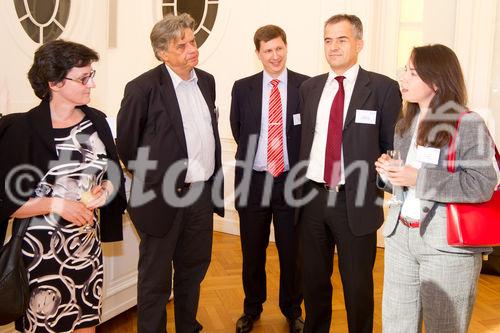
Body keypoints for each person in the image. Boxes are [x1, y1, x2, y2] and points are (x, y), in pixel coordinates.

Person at [0, 39, 127, 333]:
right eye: (84, 77)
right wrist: (56, 204)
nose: (91, 84)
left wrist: (105, 191)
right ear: (55, 83)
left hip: (86, 252)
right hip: (39, 256)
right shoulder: (21, 129)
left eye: (92, 75)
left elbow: (112, 173)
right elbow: (6, 201)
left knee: (86, 325)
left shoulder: (97, 122)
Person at [375, 44, 498, 333]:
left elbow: (481, 184)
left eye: (413, 73)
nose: (403, 78)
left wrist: (418, 178)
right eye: (404, 70)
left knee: (445, 327)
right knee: (396, 325)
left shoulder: (468, 123)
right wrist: (388, 173)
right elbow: (404, 181)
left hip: (447, 244)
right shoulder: (406, 124)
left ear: (436, 80)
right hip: (400, 235)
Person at [116, 13, 224, 333]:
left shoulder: (206, 81)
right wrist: (155, 182)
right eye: (183, 45)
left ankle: (188, 326)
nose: (192, 48)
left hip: (200, 195)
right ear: (163, 53)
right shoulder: (142, 88)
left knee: (193, 270)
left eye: (193, 41)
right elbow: (127, 145)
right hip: (160, 197)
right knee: (156, 279)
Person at [295, 14, 402, 333]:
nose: (333, 47)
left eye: (341, 39)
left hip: (355, 201)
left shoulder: (382, 88)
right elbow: (303, 141)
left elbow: (390, 145)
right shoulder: (310, 87)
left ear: (359, 43)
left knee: (357, 288)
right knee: (313, 284)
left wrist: (377, 189)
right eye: (327, 40)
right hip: (312, 197)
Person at [230, 25, 309, 333]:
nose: (274, 56)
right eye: (267, 51)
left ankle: (292, 310)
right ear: (258, 54)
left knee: (293, 254)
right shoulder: (243, 87)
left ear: (286, 47)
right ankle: (252, 308)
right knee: (252, 252)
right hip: (254, 181)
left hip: (291, 182)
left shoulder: (306, 86)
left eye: (279, 48)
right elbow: (239, 129)